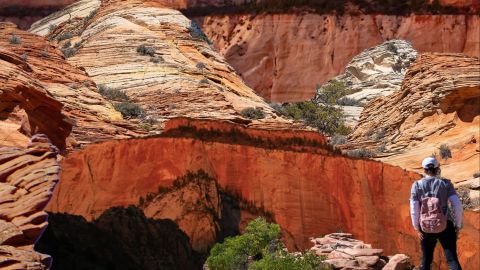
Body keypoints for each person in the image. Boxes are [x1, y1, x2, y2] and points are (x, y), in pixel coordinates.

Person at [410, 157, 463, 270]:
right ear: (437, 168)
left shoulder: (417, 185)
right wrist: (457, 226)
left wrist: (417, 227)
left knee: (426, 259)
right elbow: (457, 206)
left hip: (425, 227)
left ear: (424, 170)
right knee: (452, 259)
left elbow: (414, 209)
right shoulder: (446, 183)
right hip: (445, 226)